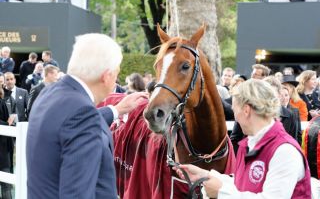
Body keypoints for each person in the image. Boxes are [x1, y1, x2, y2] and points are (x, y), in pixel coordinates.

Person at [26, 33, 148, 198]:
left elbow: (70, 125)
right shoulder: (82, 114)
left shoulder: (50, 93)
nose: (116, 79)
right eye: (116, 73)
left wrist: (116, 110)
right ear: (106, 76)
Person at [174, 79, 311, 198]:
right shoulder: (249, 144)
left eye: (235, 110)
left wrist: (221, 193)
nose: (236, 117)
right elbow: (240, 183)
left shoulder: (284, 151)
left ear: (246, 110)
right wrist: (205, 175)